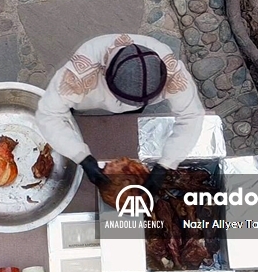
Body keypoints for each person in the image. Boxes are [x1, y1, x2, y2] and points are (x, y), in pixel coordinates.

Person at [35, 33, 206, 195]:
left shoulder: (172, 71)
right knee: (70, 108)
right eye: (128, 101)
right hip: (89, 96)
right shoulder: (80, 72)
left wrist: (167, 163)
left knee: (132, 112)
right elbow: (49, 114)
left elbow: (192, 117)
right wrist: (80, 155)